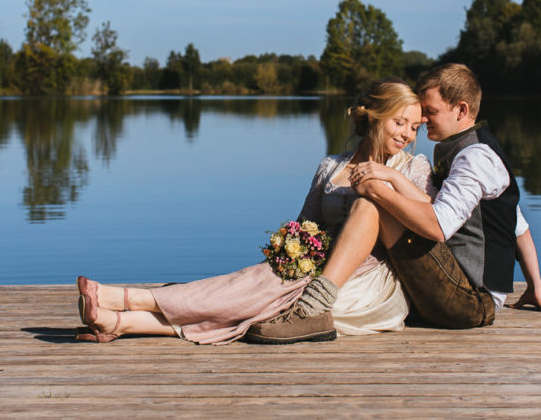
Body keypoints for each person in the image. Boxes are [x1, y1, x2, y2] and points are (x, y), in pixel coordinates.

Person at [76, 78, 430, 343]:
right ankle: (120, 322)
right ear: (373, 116)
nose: (407, 134)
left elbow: (427, 213)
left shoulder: (413, 168)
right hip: (313, 263)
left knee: (257, 294)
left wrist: (385, 174)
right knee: (255, 283)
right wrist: (287, 251)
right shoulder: (330, 167)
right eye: (399, 122)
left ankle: (127, 298)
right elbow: (305, 225)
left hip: (363, 279)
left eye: (414, 127)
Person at [246, 63, 541, 343]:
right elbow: (518, 224)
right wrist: (534, 287)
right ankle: (316, 298)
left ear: (461, 110)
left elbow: (439, 227)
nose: (424, 122)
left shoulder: (475, 158)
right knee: (376, 196)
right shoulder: (463, 151)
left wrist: (380, 183)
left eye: (430, 113)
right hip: (461, 290)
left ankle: (315, 308)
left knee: (372, 199)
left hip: (469, 302)